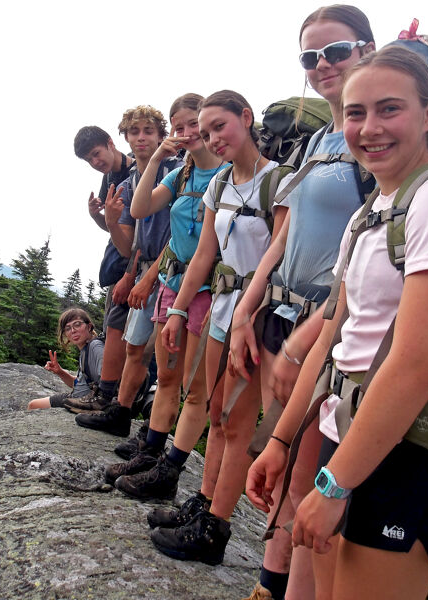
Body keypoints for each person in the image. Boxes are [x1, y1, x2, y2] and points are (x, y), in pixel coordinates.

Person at [247, 45, 428, 599]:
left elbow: (416, 366)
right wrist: (281, 440)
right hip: (349, 430)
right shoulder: (373, 210)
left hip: (414, 448)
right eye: (356, 113)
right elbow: (337, 335)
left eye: (389, 110)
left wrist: (335, 484)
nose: (369, 128)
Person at [230, 6, 375, 599]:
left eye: (336, 52)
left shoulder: (373, 140)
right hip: (284, 317)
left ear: (367, 49)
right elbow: (285, 234)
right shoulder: (318, 138)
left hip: (331, 332)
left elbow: (368, 259)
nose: (322, 66)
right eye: (310, 58)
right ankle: (271, 583)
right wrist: (247, 306)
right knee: (288, 470)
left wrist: (306, 338)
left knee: (315, 484)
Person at [149, 90, 291, 566]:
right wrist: (176, 310)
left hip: (260, 318)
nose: (212, 138)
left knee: (234, 421)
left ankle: (216, 529)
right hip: (221, 311)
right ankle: (205, 503)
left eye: (219, 127)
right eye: (206, 132)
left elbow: (279, 256)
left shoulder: (281, 183)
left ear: (246, 119)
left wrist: (248, 314)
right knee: (215, 413)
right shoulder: (221, 185)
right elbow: (205, 254)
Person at [99, 93, 229, 498]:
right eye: (181, 127)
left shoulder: (227, 174)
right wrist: (156, 158)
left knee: (194, 388)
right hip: (174, 285)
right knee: (169, 377)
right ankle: (150, 452)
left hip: (209, 291)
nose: (188, 134)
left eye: (195, 125)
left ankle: (169, 471)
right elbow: (139, 210)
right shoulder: (181, 175)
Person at [76, 105, 181, 437]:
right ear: (124, 137)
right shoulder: (131, 179)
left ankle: (154, 438)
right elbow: (127, 246)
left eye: (148, 131)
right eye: (133, 132)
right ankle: (119, 413)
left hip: (172, 272)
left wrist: (145, 278)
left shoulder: (178, 170)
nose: (140, 138)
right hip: (145, 269)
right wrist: (108, 219)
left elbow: (183, 234)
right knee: (135, 349)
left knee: (166, 365)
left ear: (161, 135)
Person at [71, 126, 134, 413]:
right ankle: (106, 392)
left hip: (136, 263)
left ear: (110, 143)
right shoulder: (108, 179)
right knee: (112, 329)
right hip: (118, 265)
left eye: (96, 154)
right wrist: (97, 215)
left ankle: (116, 399)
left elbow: (140, 231)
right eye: (89, 160)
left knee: (126, 335)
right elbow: (111, 229)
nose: (95, 162)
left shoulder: (138, 171)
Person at [27, 308, 103, 410]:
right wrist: (60, 372)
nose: (73, 331)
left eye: (77, 324)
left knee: (33, 405)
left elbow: (108, 378)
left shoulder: (95, 346)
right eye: (68, 328)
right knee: (33, 404)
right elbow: (79, 385)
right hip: (77, 398)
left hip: (85, 401)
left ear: (89, 326)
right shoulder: (85, 350)